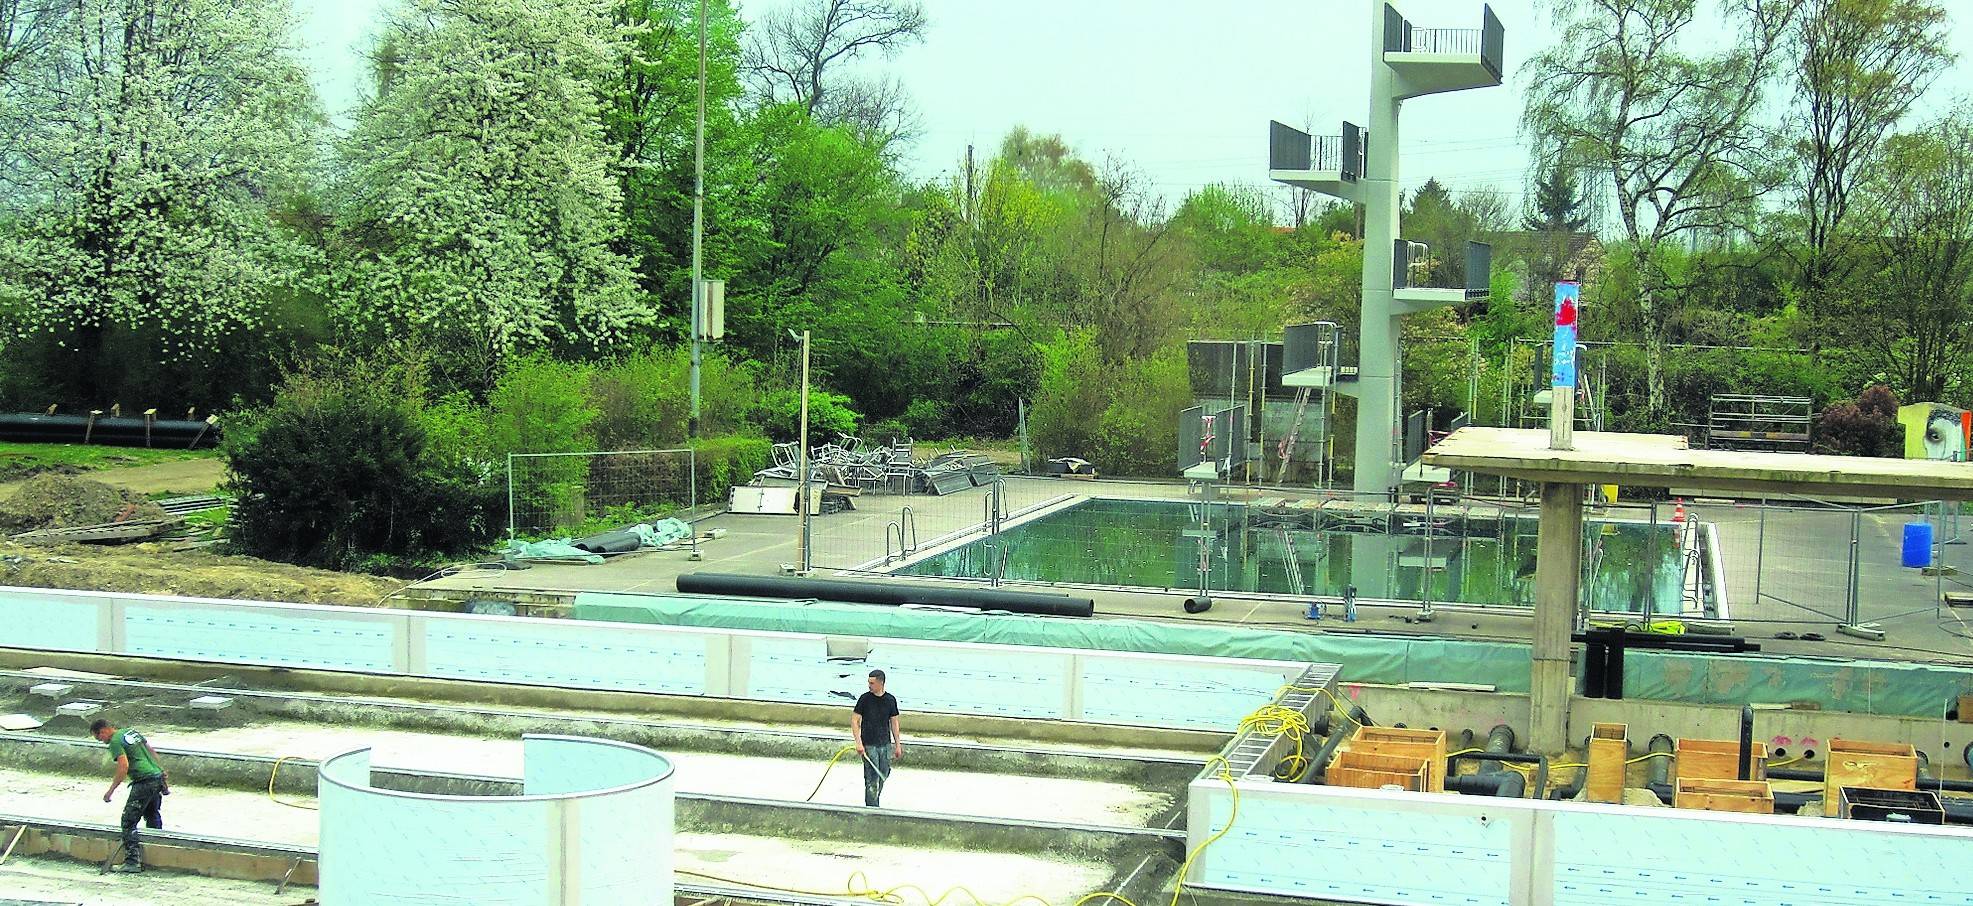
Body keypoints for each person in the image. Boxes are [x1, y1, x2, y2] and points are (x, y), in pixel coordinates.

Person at [91, 719, 168, 873]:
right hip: (156, 778)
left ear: (104, 731)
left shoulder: (115, 741)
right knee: (152, 815)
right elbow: (150, 750)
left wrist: (111, 790)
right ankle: (158, 853)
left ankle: (132, 862)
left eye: (100, 738)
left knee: (128, 822)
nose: (103, 742)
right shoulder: (131, 732)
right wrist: (161, 770)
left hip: (144, 782)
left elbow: (123, 766)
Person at [850, 669, 901, 807]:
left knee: (884, 772)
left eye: (872, 683)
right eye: (869, 682)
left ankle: (875, 800)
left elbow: (894, 722)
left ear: (881, 683)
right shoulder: (864, 699)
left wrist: (897, 745)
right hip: (869, 744)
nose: (869, 685)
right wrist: (858, 743)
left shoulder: (890, 700)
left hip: (885, 744)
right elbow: (855, 720)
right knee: (872, 776)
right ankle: (872, 807)